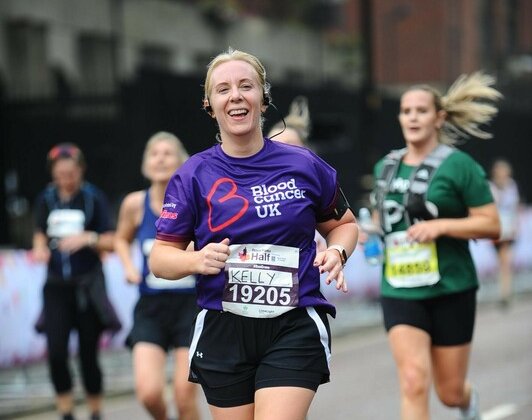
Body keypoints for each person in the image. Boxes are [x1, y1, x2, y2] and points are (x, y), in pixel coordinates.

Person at [149, 48, 358, 420]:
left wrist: (337, 253)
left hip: (293, 323)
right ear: (210, 105)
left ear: (263, 99)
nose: (236, 96)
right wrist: (196, 259)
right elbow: (161, 259)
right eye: (223, 89)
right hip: (223, 328)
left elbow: (344, 225)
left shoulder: (304, 164)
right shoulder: (192, 175)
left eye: (246, 86)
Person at [367, 72, 502, 419]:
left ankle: (467, 402)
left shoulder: (460, 166)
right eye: (405, 110)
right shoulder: (386, 167)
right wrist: (368, 232)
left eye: (421, 110)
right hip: (400, 287)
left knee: (449, 392)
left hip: (451, 287)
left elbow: (491, 225)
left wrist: (441, 226)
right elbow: (383, 223)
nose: (412, 117)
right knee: (413, 380)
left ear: (438, 117)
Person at [114, 132, 200, 420]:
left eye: (168, 153)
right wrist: (128, 266)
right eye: (154, 153)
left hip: (191, 306)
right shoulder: (134, 205)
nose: (160, 158)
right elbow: (120, 239)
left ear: (181, 161)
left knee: (184, 395)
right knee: (149, 393)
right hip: (151, 308)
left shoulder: (195, 203)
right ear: (145, 163)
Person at [32, 143, 120, 420]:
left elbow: (111, 241)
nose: (65, 179)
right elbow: (38, 234)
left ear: (80, 170)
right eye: (60, 174)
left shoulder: (94, 198)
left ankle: (95, 411)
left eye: (70, 173)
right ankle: (66, 412)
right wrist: (40, 248)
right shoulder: (46, 199)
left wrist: (88, 238)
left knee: (87, 356)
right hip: (57, 286)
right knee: (56, 353)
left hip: (88, 286)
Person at [489, 158, 521, 308]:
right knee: (502, 263)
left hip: (510, 230)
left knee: (506, 262)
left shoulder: (512, 186)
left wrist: (516, 225)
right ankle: (504, 291)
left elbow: (515, 208)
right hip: (498, 230)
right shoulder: (492, 188)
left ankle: (505, 292)